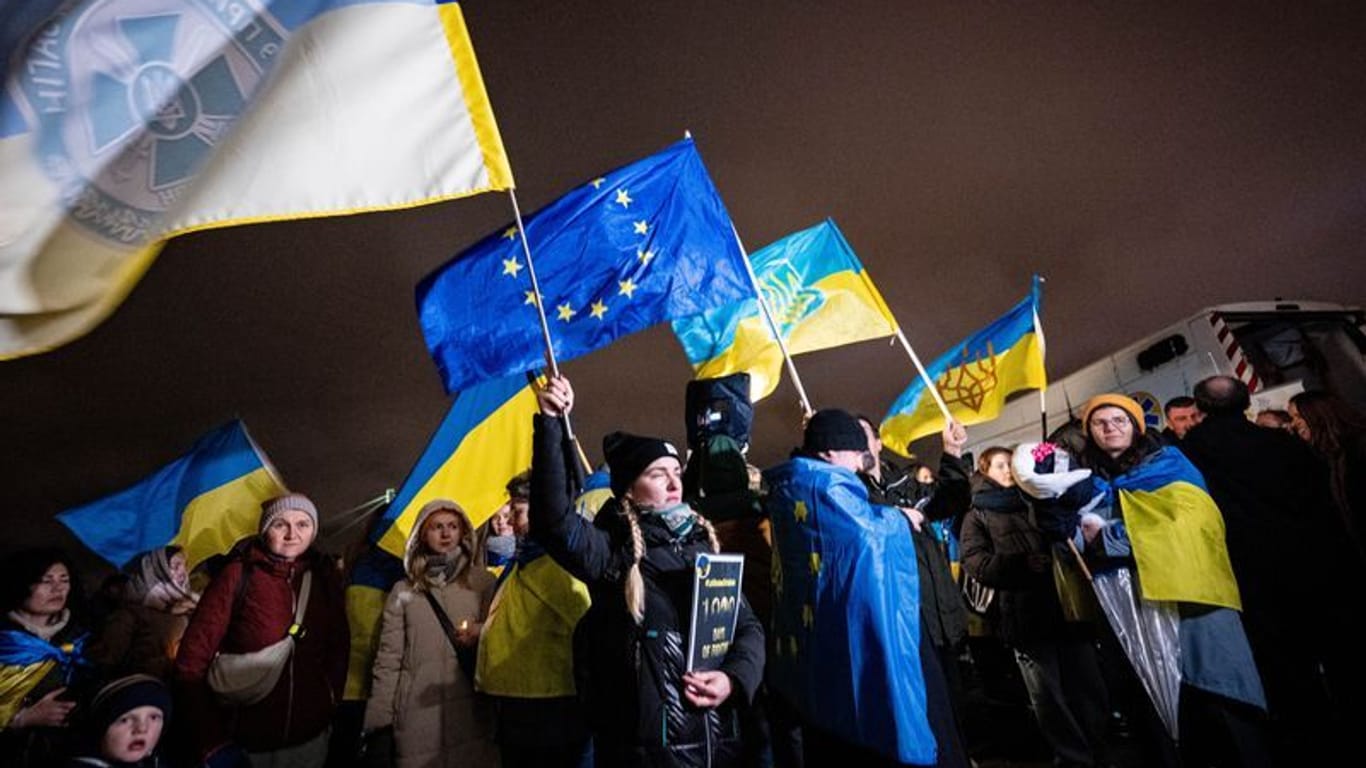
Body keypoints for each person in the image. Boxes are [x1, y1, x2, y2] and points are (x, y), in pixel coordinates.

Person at [530, 375, 765, 768]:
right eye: (657, 474)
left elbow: (748, 628)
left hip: (718, 746)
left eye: (676, 471)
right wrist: (552, 424)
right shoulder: (610, 552)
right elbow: (552, 520)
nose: (674, 482)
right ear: (629, 489)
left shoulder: (702, 547)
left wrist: (733, 679)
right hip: (644, 755)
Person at [1030, 394, 1269, 768]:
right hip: (1132, 619)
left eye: (1119, 420)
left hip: (1191, 612)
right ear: (1089, 432)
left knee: (1220, 718)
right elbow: (1072, 542)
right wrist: (1046, 495)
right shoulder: (1088, 483)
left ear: (1137, 426)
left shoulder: (1169, 464)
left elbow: (1190, 524)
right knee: (1157, 722)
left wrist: (1108, 540)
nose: (1110, 427)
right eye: (1100, 422)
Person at [766, 408, 966, 767]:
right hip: (867, 637)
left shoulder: (796, 487)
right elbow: (863, 537)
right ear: (829, 452)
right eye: (853, 454)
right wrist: (898, 518)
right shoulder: (821, 485)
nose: (859, 466)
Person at [1182, 376, 1364, 763]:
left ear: (1200, 409)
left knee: (1287, 671)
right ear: (1246, 402)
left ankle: (1313, 744)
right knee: (1340, 657)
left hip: (1254, 578)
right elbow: (1321, 501)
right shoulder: (1283, 445)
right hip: (1317, 566)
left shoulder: (1191, 453)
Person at [959, 447, 1110, 767]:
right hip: (1025, 615)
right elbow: (976, 563)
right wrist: (1021, 565)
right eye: (999, 466)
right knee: (1048, 696)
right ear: (984, 472)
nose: (1007, 471)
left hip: (1066, 605)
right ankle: (1073, 757)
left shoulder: (1038, 496)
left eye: (1010, 464)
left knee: (1088, 685)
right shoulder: (978, 514)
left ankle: (1100, 750)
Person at [174, 493, 348, 768]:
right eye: (281, 524)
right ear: (265, 530)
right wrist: (211, 739)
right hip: (244, 744)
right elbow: (191, 662)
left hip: (308, 742)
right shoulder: (237, 575)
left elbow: (338, 647)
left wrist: (327, 701)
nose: (292, 534)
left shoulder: (325, 579)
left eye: (303, 524)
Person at [855, 415, 972, 760]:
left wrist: (951, 452)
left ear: (878, 442)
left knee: (953, 710)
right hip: (902, 624)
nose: (858, 443)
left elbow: (950, 501)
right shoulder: (850, 495)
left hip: (939, 615)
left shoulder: (907, 483)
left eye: (863, 434)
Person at [364, 499, 499, 768]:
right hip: (417, 717)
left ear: (463, 532)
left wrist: (479, 635)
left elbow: (498, 639)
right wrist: (381, 722)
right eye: (437, 527)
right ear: (422, 534)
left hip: (472, 714)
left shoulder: (483, 582)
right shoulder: (403, 591)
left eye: (453, 526)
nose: (446, 534)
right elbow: (388, 659)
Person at [476, 472, 593, 768]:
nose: (511, 521)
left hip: (551, 713)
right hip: (523, 706)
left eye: (518, 511)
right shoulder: (526, 561)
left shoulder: (558, 566)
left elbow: (586, 631)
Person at [1, 547, 95, 767]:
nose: (58, 588)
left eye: (64, 579)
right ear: (21, 583)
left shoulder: (79, 639)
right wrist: (21, 719)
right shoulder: (5, 642)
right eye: (46, 580)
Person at [91, 547, 198, 680]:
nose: (180, 570)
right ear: (158, 570)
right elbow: (108, 663)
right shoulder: (131, 611)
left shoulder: (190, 604)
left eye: (183, 564)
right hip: (148, 690)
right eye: (173, 565)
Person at [1288, 390, 1366, 548]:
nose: (1293, 424)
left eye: (1298, 416)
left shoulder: (1359, 446)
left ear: (1318, 414)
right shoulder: (1330, 455)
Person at [67, 674, 173, 768]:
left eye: (153, 717)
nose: (142, 728)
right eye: (125, 720)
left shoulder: (156, 761)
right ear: (100, 729)